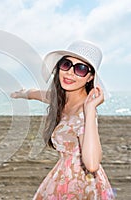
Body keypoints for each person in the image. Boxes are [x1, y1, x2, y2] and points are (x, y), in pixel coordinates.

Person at [11, 40, 115, 199]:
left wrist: (90, 109)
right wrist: (21, 94)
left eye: (80, 69)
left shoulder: (85, 113)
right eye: (66, 64)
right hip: (61, 176)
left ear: (90, 78)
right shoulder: (60, 99)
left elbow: (92, 164)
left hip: (83, 184)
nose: (70, 73)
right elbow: (37, 94)